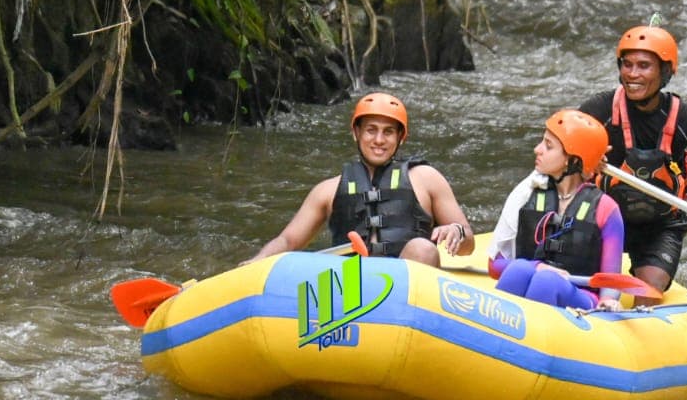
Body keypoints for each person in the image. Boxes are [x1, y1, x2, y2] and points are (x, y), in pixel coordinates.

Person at [578, 24, 687, 297]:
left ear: (664, 72)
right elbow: (558, 150)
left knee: (648, 294)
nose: (632, 74)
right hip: (603, 219)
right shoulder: (600, 110)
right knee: (587, 286)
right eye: (627, 65)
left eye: (644, 66)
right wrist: (581, 163)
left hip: (660, 226)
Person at [252, 92, 476, 266]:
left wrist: (457, 231)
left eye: (388, 132)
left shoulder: (427, 179)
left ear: (400, 137)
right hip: (353, 287)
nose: (379, 140)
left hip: (410, 286)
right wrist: (255, 263)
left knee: (422, 248)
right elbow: (288, 241)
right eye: (371, 130)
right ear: (356, 133)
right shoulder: (327, 190)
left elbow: (469, 245)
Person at [489, 109, 625, 310]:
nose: (537, 149)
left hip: (581, 296)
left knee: (547, 282)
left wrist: (608, 302)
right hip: (536, 278)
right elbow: (494, 265)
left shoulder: (607, 209)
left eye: (548, 146)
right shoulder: (527, 194)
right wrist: (537, 266)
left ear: (571, 160)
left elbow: (610, 283)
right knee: (519, 270)